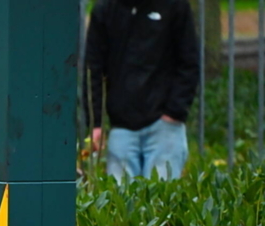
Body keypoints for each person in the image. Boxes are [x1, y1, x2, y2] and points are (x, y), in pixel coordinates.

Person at [84, 0, 200, 181]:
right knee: (118, 204)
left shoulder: (175, 6)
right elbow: (93, 68)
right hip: (121, 128)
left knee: (163, 203)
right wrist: (96, 123)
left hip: (165, 128)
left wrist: (174, 112)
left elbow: (189, 62)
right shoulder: (105, 10)